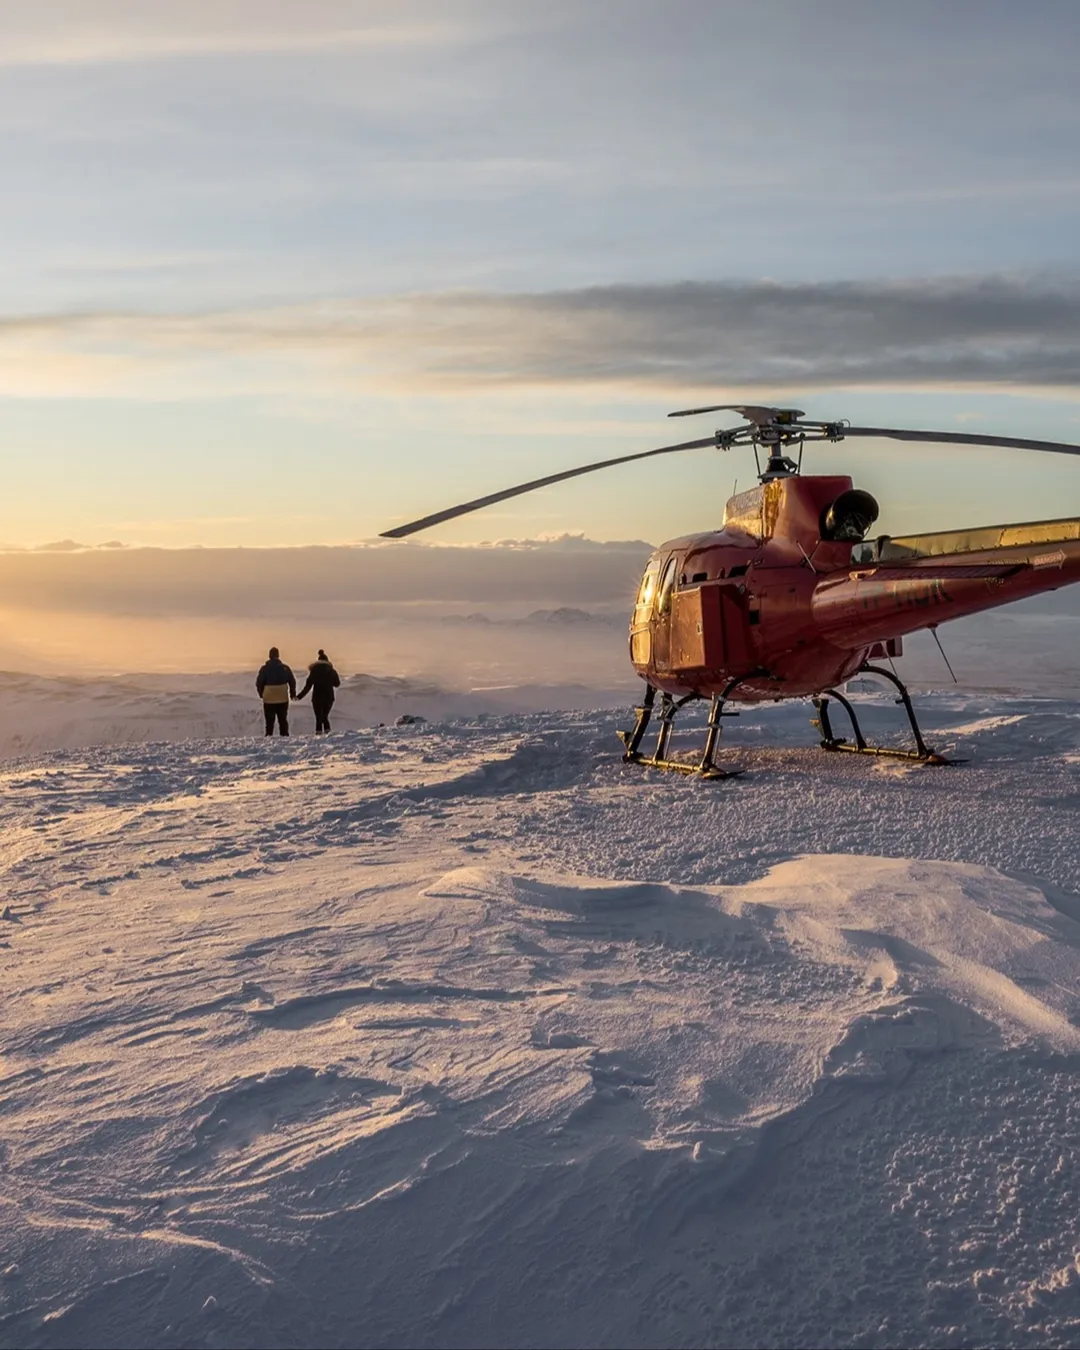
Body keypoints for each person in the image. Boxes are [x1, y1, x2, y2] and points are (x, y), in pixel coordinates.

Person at [295, 648, 341, 733]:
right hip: (329, 697)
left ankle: (319, 735)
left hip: (317, 698)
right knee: (325, 717)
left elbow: (308, 686)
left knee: (318, 718)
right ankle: (328, 734)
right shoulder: (332, 671)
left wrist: (299, 697)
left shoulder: (314, 671)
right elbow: (337, 684)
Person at [256, 646, 296, 736]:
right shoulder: (285, 668)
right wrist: (292, 693)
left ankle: (269, 737)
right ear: (278, 656)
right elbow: (292, 681)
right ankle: (285, 737)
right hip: (282, 697)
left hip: (269, 698)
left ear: (269, 656)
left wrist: (261, 694)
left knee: (269, 722)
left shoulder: (264, 669)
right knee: (282, 720)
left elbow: (259, 682)